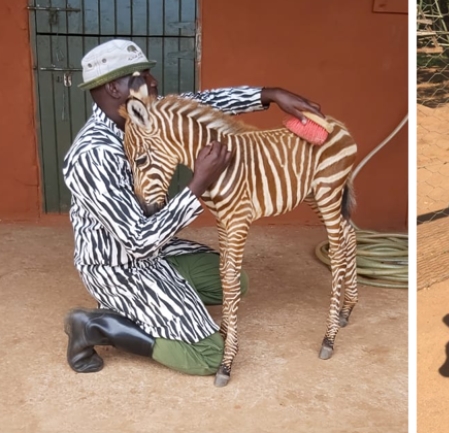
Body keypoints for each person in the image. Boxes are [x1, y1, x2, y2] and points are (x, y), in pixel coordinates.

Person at [61, 39, 323, 376]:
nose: (153, 82)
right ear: (114, 87)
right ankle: (96, 327)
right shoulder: (93, 154)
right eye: (141, 76)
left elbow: (201, 103)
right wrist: (197, 184)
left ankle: (138, 306)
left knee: (233, 282)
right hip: (118, 263)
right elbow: (138, 240)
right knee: (208, 355)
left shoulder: (148, 115)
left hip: (158, 252)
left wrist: (270, 95)